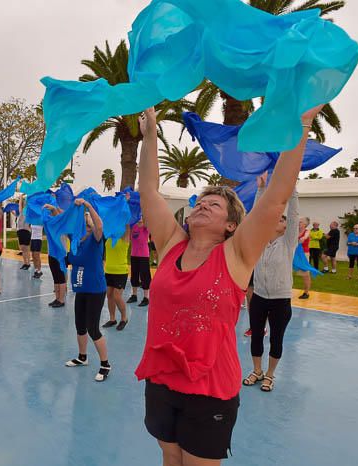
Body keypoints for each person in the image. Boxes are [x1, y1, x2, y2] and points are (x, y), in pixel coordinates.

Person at [135, 104, 323, 464]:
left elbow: (275, 200)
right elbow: (149, 192)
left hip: (208, 390)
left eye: (215, 204)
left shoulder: (236, 254)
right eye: (202, 201)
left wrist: (301, 124)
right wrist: (150, 134)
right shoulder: (173, 244)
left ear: (232, 225)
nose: (204, 204)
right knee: (169, 456)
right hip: (161, 380)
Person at [242, 172, 299, 393]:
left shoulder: (288, 243)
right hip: (259, 297)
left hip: (280, 300)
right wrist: (261, 189)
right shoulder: (260, 240)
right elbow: (258, 216)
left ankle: (270, 374)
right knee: (256, 335)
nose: (279, 218)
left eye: (282, 219)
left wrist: (292, 190)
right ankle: (257, 370)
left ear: (285, 227)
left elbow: (293, 216)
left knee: (276, 338)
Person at [65, 200, 111, 382]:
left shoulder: (95, 240)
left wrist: (87, 206)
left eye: (88, 226)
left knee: (93, 329)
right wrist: (54, 209)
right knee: (80, 326)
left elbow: (99, 226)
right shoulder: (76, 242)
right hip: (81, 289)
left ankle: (105, 364)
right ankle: (82, 357)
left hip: (95, 290)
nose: (86, 229)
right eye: (83, 226)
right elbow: (64, 219)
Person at [102, 225, 131, 331]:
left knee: (117, 296)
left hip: (120, 271)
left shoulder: (124, 237)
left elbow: (127, 225)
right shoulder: (108, 237)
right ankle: (112, 319)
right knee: (109, 295)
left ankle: (124, 318)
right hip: (109, 271)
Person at [43, 204, 68, 308]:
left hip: (60, 255)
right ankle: (57, 298)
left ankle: (61, 299)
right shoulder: (52, 226)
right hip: (52, 254)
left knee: (61, 277)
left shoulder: (62, 226)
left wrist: (54, 208)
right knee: (55, 277)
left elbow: (59, 216)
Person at [128, 217, 151, 307]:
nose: (139, 218)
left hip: (144, 255)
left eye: (141, 216)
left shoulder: (145, 227)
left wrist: (144, 220)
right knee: (134, 275)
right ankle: (134, 295)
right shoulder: (133, 227)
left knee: (145, 276)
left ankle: (146, 298)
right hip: (134, 255)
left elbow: (149, 223)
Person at [297, 217, 312, 299]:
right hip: (294, 253)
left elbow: (306, 236)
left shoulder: (307, 231)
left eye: (300, 222)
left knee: (305, 274)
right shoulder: (296, 231)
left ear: (305, 224)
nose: (298, 223)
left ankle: (306, 292)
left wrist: (303, 238)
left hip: (303, 254)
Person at [16, 196, 32, 270]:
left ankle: (28, 263)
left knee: (26, 248)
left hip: (26, 231)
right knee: (23, 248)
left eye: (26, 202)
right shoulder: (21, 211)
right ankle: (25, 263)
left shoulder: (29, 212)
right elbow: (20, 205)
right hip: (20, 231)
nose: (25, 203)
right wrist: (20, 198)